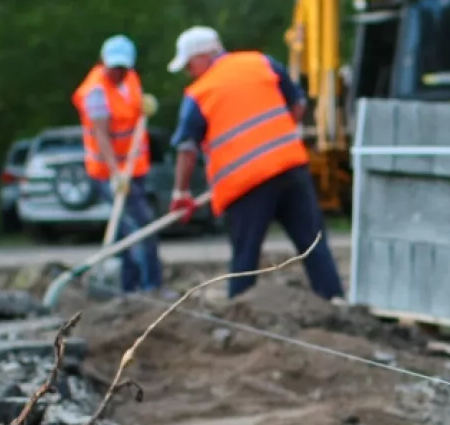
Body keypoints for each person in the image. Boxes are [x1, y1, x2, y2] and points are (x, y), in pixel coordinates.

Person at [165, 25, 344, 301]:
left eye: (189, 65)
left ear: (204, 56)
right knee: (313, 244)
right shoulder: (261, 62)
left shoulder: (200, 93)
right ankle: (335, 300)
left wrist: (180, 192)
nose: (189, 72)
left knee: (245, 255)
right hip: (289, 168)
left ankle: (241, 312)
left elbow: (187, 148)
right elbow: (298, 105)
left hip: (245, 184)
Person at [72, 34, 162, 293]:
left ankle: (130, 286)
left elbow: (132, 109)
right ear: (103, 62)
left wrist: (144, 108)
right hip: (108, 173)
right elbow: (101, 134)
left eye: (123, 67)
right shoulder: (95, 92)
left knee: (131, 229)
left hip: (134, 168)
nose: (119, 73)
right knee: (140, 227)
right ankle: (149, 286)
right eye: (114, 67)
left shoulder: (131, 78)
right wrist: (115, 174)